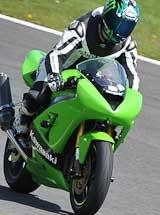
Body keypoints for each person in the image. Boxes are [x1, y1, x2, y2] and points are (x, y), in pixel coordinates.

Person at [13, 0, 141, 149]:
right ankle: (21, 123)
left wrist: (130, 96)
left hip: (93, 79)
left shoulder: (128, 45)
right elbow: (57, 54)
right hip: (62, 71)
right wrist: (54, 75)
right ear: (107, 16)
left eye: (127, 26)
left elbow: (131, 75)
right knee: (38, 95)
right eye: (117, 22)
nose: (120, 31)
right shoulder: (82, 28)